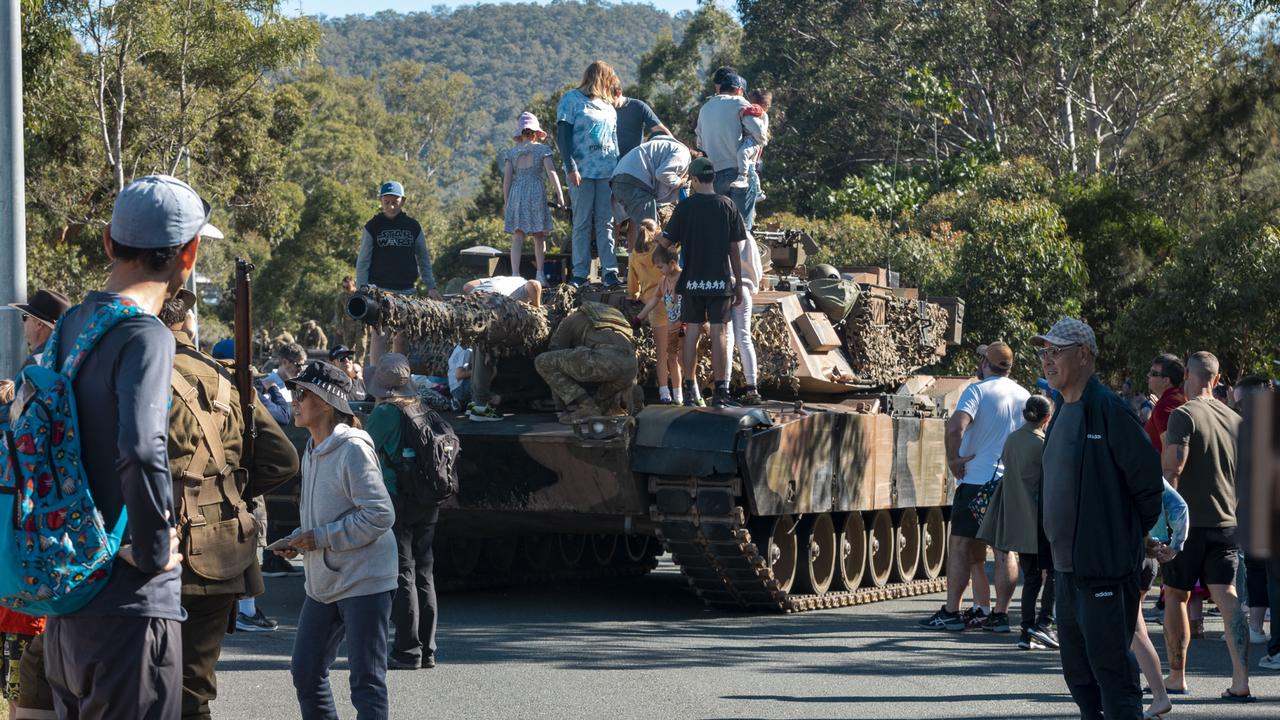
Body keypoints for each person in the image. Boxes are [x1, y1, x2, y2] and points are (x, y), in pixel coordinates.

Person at [43, 174, 212, 717]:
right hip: (130, 609)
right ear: (190, 252)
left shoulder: (71, 325)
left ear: (109, 244)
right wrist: (156, 548)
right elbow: (141, 448)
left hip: (69, 603)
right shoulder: (146, 335)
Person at [156, 291, 301, 719]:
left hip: (162, 550)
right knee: (193, 692)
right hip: (224, 548)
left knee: (140, 685)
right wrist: (226, 491)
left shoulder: (143, 374)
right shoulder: (226, 379)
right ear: (188, 327)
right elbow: (283, 459)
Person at [1035, 317, 1163, 719]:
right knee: (1079, 676)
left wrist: (1124, 536)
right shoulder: (1061, 413)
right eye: (1044, 351)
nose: (1047, 360)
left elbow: (1148, 486)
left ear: (1085, 355)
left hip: (1103, 570)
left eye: (1057, 351)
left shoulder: (1107, 410)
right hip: (1067, 572)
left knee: (1114, 674)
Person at [277, 360, 397, 719]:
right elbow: (324, 517)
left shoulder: (352, 449)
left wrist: (322, 537)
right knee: (306, 671)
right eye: (293, 392)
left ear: (327, 402)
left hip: (366, 579)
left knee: (366, 681)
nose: (293, 400)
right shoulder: (311, 449)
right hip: (325, 582)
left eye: (301, 393)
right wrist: (299, 539)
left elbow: (380, 514)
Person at [1160, 351, 1252, 701]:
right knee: (1227, 596)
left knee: (1176, 597)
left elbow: (1172, 471)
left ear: (1186, 374)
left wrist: (1167, 525)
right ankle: (1241, 681)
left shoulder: (1182, 415)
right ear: (1216, 379)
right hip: (1227, 522)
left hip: (1189, 524)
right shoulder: (1236, 420)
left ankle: (1177, 677)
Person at [920, 342, 1029, 632]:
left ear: (984, 363)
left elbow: (955, 426)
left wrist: (954, 458)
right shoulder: (1024, 394)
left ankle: (951, 611)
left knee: (959, 545)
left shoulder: (977, 391)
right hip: (1008, 484)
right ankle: (1000, 615)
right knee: (1005, 550)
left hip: (975, 482)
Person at [364, 353, 443, 671]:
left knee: (403, 573)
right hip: (428, 498)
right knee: (425, 573)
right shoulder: (421, 406)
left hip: (399, 497)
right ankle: (428, 649)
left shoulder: (385, 412)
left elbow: (364, 447)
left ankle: (407, 649)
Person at [661, 156, 746, 409]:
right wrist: (738, 284)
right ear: (714, 178)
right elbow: (734, 250)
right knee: (720, 332)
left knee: (693, 332)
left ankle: (689, 388)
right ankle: (721, 391)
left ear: (695, 180)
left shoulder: (685, 208)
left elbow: (666, 244)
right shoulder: (728, 205)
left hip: (692, 282)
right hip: (720, 281)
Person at [976, 394, 1056, 650]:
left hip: (1019, 520)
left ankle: (1026, 629)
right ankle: (1044, 624)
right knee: (1052, 575)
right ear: (1047, 418)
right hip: (1041, 520)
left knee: (1031, 577)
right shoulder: (1043, 444)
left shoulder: (1012, 440)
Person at [356, 180, 443, 363]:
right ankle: (375, 379)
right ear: (381, 201)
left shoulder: (413, 226)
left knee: (401, 337)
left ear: (402, 201)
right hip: (378, 290)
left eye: (395, 201)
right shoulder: (373, 226)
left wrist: (431, 286)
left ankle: (399, 377)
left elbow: (423, 259)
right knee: (379, 335)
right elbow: (363, 261)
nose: (391, 205)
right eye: (386, 202)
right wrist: (362, 290)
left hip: (406, 291)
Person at [556, 61, 622, 288]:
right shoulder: (571, 100)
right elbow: (563, 137)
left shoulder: (609, 107)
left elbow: (614, 142)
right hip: (582, 173)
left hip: (607, 172)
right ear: (600, 78)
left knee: (606, 222)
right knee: (582, 222)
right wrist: (570, 167)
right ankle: (580, 272)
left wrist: (618, 171)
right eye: (609, 79)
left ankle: (610, 271)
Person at [1133, 480, 1189, 720]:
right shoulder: (1146, 464)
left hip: (1127, 554)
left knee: (1132, 629)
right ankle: (1156, 696)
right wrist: (1175, 544)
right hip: (1150, 554)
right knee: (1133, 629)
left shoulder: (1109, 459)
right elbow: (1179, 506)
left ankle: (1157, 696)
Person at [534, 301, 637, 423]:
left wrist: (559, 405)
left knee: (542, 361)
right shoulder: (617, 317)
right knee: (600, 408)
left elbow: (555, 351)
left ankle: (587, 406)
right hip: (631, 368)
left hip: (605, 362)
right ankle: (611, 408)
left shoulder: (572, 317)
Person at [460, 275, 543, 422]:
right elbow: (534, 284)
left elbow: (466, 286)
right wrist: (537, 308)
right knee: (485, 351)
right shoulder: (521, 283)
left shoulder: (495, 279)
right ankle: (480, 408)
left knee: (478, 349)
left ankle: (474, 403)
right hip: (492, 306)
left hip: (469, 305)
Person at [695, 72, 766, 227]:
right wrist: (758, 140)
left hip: (716, 176)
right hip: (740, 172)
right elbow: (758, 132)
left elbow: (699, 143)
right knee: (742, 228)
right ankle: (743, 251)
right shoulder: (740, 102)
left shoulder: (705, 108)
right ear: (739, 89)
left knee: (722, 226)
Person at [503, 112, 565, 284]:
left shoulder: (512, 153)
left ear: (520, 133)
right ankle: (539, 274)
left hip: (517, 194)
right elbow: (552, 173)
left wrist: (506, 202)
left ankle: (515, 275)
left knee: (518, 235)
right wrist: (560, 195)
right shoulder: (543, 150)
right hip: (536, 192)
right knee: (539, 236)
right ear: (536, 132)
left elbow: (507, 180)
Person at [610, 131, 690, 252]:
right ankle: (644, 268)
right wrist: (680, 182)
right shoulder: (684, 154)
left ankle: (635, 266)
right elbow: (663, 174)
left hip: (620, 180)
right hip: (635, 182)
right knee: (649, 234)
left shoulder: (663, 148)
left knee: (643, 232)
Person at [635, 243, 684, 406]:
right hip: (671, 327)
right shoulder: (664, 281)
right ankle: (668, 393)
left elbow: (693, 302)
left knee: (682, 359)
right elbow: (655, 299)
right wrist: (639, 317)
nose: (659, 270)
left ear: (672, 263)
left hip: (684, 327)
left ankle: (681, 392)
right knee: (670, 356)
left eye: (661, 267)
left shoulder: (683, 279)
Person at [729, 231, 764, 405]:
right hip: (745, 288)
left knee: (726, 339)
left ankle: (724, 388)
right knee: (744, 338)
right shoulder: (748, 236)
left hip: (726, 286)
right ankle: (752, 387)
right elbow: (758, 268)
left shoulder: (723, 231)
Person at [7, 288, 71, 368]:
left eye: (25, 317)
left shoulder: (36, 362)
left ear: (39, 324)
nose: (23, 322)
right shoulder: (67, 359)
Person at [1146, 352, 1187, 453]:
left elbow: (1171, 451)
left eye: (1153, 373)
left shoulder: (1165, 406)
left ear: (1166, 381)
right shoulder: (1178, 397)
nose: (1148, 375)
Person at [615, 95, 670, 159]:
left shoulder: (638, 106)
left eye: (608, 96)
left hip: (633, 162)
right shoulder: (603, 109)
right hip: (607, 163)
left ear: (618, 93)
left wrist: (677, 150)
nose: (607, 101)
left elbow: (660, 130)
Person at [332, 276, 368, 363]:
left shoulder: (361, 295)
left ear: (353, 284)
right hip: (348, 327)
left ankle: (359, 365)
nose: (345, 289)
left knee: (361, 346)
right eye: (343, 287)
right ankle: (348, 365)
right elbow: (338, 314)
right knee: (347, 348)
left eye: (347, 287)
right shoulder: (341, 298)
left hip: (361, 325)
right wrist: (338, 326)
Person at [447, 344, 473, 410]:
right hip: (459, 389)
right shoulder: (464, 351)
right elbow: (459, 375)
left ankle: (462, 402)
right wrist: (478, 370)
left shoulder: (458, 349)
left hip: (455, 389)